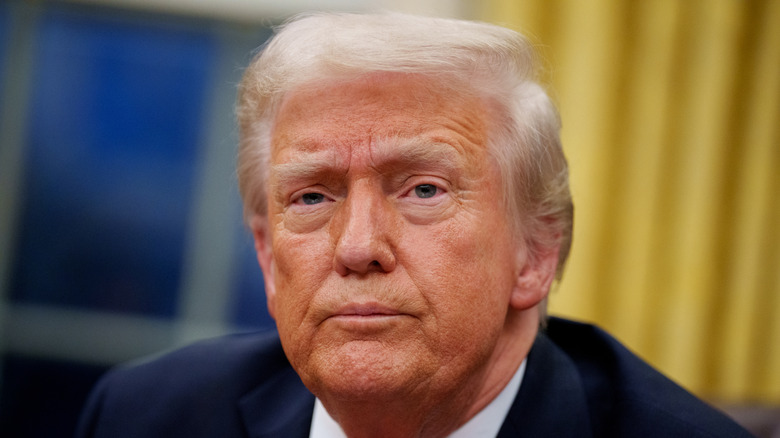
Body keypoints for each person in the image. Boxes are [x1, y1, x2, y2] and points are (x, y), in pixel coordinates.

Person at [76, 12, 753, 438]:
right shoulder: (144, 414)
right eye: (312, 198)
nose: (359, 246)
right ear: (264, 251)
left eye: (423, 189)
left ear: (535, 254)